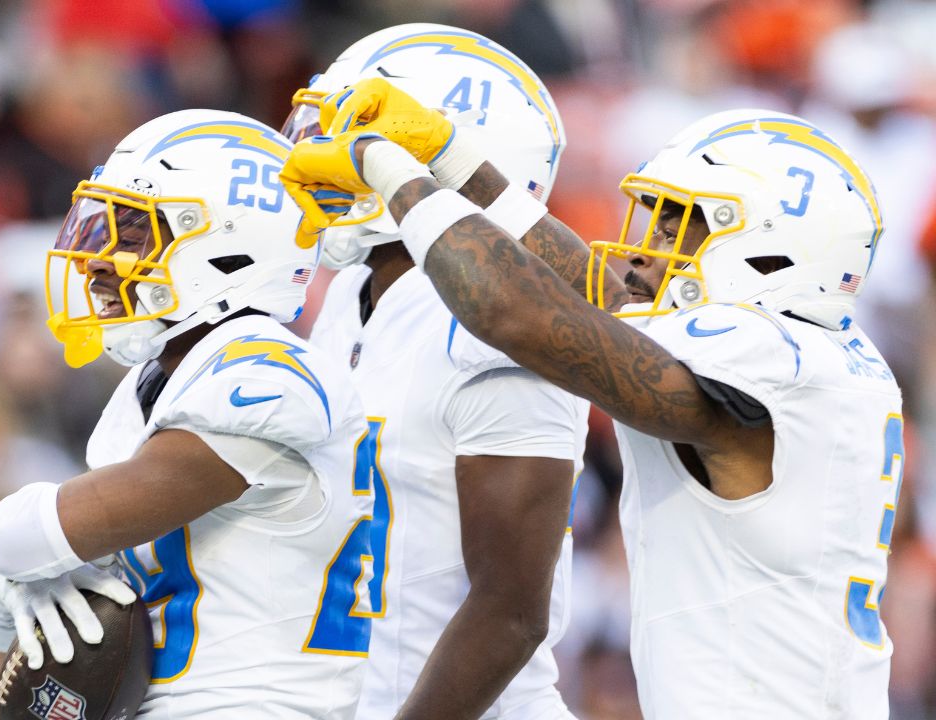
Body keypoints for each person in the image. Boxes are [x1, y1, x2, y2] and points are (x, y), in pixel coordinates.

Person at [281, 84, 901, 718]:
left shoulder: (769, 357)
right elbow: (594, 301)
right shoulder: (815, 356)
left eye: (677, 226)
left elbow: (519, 314)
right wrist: (455, 160)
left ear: (772, 248)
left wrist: (393, 174)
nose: (644, 248)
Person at [0, 109, 373, 718]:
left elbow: (32, 535)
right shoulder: (154, 383)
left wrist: (14, 557)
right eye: (99, 230)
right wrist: (12, 589)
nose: (95, 260)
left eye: (131, 236)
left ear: (230, 249)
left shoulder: (267, 372)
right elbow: (22, 597)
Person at [282, 25, 587, 720]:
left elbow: (510, 614)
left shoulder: (491, 327)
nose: (319, 156)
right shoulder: (350, 303)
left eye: (354, 134)